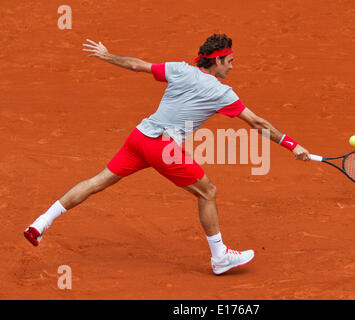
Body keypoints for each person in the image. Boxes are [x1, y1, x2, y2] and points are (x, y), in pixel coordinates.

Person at [24, 34, 310, 275]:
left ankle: (40, 223)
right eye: (230, 61)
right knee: (207, 192)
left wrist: (106, 55)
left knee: (97, 181)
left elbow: (137, 65)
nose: (232, 67)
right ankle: (220, 257)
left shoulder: (179, 69)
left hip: (138, 139)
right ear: (218, 61)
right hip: (162, 148)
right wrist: (292, 145)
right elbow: (258, 123)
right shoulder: (222, 93)